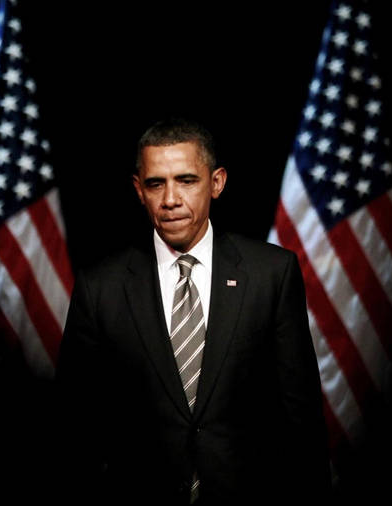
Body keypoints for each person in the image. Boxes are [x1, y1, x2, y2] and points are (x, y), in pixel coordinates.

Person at [56, 118, 330, 505]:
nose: (170, 199)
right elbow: (74, 426)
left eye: (186, 180)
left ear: (216, 182)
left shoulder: (272, 273)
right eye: (156, 183)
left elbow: (300, 418)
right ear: (139, 189)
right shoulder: (101, 287)